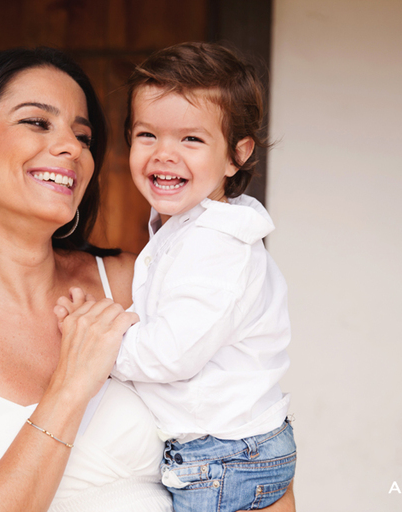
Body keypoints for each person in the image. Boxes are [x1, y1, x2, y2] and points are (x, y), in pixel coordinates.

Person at [0, 46, 295, 512]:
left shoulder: (134, 281)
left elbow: (249, 442)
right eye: (37, 122)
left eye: (83, 136)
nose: (72, 147)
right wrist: (70, 386)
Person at [57, 42, 296, 512]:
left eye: (191, 140)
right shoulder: (190, 229)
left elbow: (171, 355)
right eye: (147, 135)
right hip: (228, 449)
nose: (164, 154)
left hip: (224, 457)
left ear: (236, 155)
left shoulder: (215, 245)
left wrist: (97, 343)